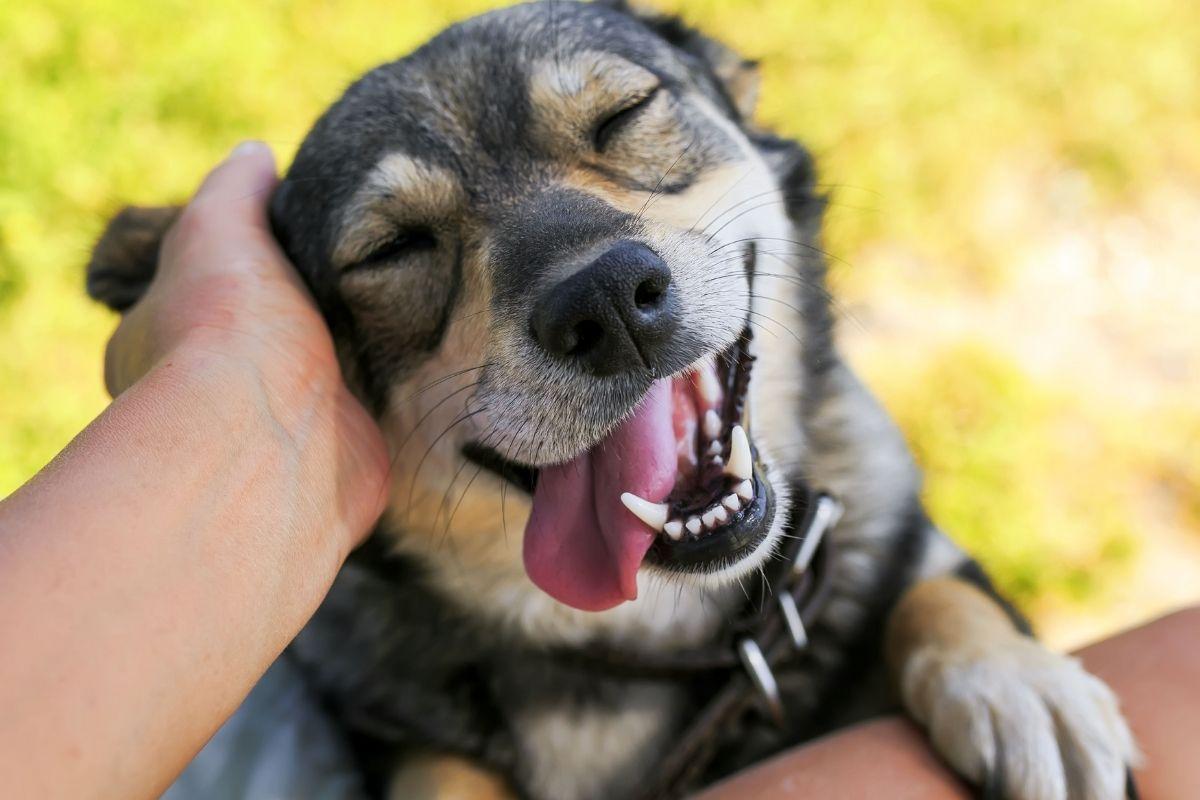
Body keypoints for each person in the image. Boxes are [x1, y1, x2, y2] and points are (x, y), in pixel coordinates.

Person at [0, 144, 1194, 799]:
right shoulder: (350, 639)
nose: (598, 276)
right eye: (402, 244)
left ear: (748, 127)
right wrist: (231, 383)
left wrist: (953, 628)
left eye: (624, 128)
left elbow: (902, 562)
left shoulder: (851, 482)